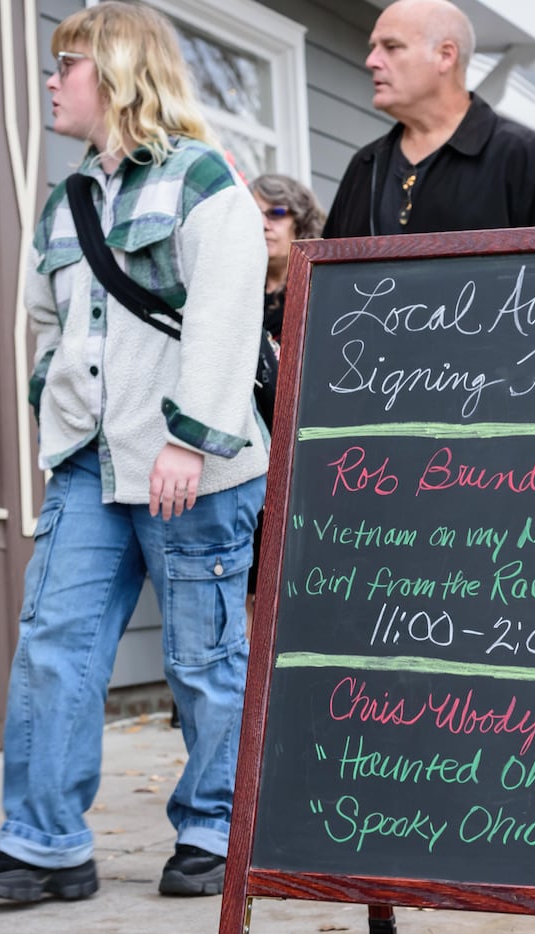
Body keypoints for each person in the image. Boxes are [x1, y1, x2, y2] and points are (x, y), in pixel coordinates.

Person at [0, 1, 267, 903]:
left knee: (205, 658)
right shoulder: (67, 201)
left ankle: (214, 829)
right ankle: (44, 843)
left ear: (119, 69)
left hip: (192, 461)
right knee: (56, 643)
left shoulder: (204, 180)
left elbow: (223, 314)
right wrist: (54, 410)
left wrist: (186, 437)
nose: (52, 80)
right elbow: (47, 325)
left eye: (66, 63)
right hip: (90, 465)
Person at [321, 0, 535, 238]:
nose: (372, 60)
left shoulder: (528, 158)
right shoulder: (366, 165)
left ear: (445, 56)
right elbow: (329, 282)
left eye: (391, 47)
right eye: (373, 48)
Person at [245, 173, 324, 615]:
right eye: (253, 215)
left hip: (302, 453)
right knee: (249, 580)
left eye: (275, 213)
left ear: (299, 220)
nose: (264, 225)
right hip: (246, 450)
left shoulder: (319, 282)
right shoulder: (238, 286)